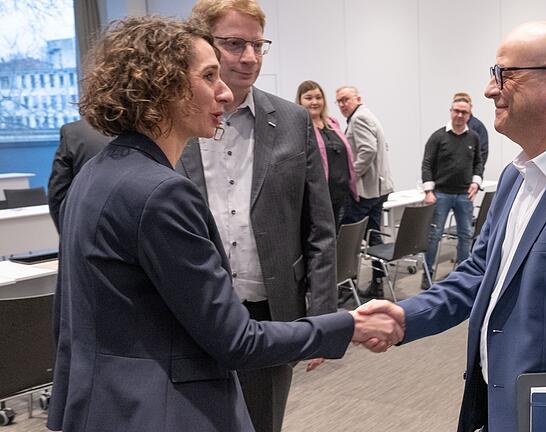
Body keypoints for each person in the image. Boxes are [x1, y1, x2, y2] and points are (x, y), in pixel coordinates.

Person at [48, 16, 402, 432]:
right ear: (164, 86)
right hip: (162, 411)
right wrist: (349, 324)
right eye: (210, 75)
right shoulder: (161, 192)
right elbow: (236, 341)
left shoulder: (96, 174)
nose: (224, 90)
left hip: (101, 407)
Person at [358, 21, 546, 432]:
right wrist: (405, 315)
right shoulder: (514, 177)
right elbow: (479, 274)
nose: (490, 89)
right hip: (499, 410)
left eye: (504, 74)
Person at [175, 2, 338, 430]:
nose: (249, 57)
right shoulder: (174, 121)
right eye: (233, 44)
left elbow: (320, 228)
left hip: (270, 310)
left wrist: (321, 319)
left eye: (257, 45)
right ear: (203, 46)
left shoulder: (292, 120)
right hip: (189, 307)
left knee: (263, 422)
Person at [336, 85, 394, 298]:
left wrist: (350, 177)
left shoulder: (359, 118)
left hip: (366, 191)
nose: (343, 104)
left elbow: (367, 150)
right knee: (374, 236)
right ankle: (377, 285)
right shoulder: (367, 115)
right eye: (339, 101)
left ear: (357, 98)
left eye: (346, 99)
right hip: (378, 189)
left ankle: (345, 287)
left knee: (348, 238)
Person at [421, 95, 484, 289]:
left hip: (465, 195)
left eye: (463, 112)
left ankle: (464, 273)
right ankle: (427, 272)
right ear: (451, 111)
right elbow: (427, 163)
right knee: (434, 235)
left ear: (469, 115)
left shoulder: (473, 136)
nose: (459, 115)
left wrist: (476, 182)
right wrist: (428, 190)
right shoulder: (438, 136)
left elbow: (478, 162)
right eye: (456, 111)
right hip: (441, 194)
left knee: (466, 235)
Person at [295, 80, 358, 230]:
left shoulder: (332, 123)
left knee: (343, 239)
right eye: (308, 98)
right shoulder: (299, 127)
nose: (314, 102)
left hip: (342, 194)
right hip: (320, 198)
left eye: (318, 97)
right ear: (300, 101)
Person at [47, 119, 111, 232]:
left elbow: (58, 193)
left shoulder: (74, 132)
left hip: (86, 228)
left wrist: (66, 235)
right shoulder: (145, 130)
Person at [453, 92, 489, 169]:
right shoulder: (452, 128)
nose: (459, 113)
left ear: (469, 107)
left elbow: (483, 152)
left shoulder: (477, 126)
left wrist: (476, 173)